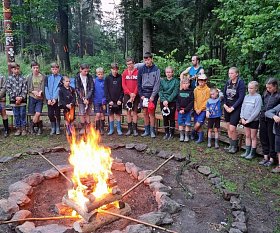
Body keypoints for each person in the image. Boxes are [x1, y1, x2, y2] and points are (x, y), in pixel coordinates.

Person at [223, 67, 246, 154]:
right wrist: (225, 105)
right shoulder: (228, 82)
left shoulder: (241, 83)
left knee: (233, 128)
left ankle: (235, 147)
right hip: (227, 107)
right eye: (229, 73)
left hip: (235, 108)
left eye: (232, 73)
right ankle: (231, 145)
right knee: (228, 127)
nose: (230, 75)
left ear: (237, 74)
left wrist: (232, 108)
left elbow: (241, 98)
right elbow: (224, 94)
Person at [137, 52, 160, 138]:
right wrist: (141, 94)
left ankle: (152, 131)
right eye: (145, 60)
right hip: (143, 93)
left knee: (151, 112)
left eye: (148, 59)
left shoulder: (156, 69)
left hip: (152, 93)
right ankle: (146, 131)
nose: (147, 61)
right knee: (145, 112)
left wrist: (153, 96)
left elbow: (157, 83)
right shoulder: (141, 69)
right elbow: (138, 83)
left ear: (151, 59)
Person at [259, 78, 280, 167]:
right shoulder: (265, 93)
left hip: (272, 120)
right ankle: (265, 157)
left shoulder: (278, 96)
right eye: (267, 87)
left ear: (275, 86)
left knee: (271, 139)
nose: (268, 89)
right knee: (263, 137)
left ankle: (272, 158)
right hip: (263, 118)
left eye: (270, 87)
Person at [240, 81, 262, 159]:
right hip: (245, 119)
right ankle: (247, 151)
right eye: (248, 88)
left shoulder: (258, 97)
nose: (249, 89)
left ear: (256, 88)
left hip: (253, 121)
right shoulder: (246, 97)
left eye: (251, 88)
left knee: (253, 136)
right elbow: (242, 107)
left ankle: (252, 153)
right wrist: (242, 117)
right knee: (247, 136)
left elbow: (257, 111)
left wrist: (249, 120)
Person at [5, 63, 28, 136]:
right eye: (15, 69)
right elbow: (8, 89)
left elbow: (25, 88)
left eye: (18, 69)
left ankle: (24, 128)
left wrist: (21, 97)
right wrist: (15, 98)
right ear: (12, 70)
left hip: (22, 100)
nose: (17, 70)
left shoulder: (23, 78)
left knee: (22, 114)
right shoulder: (9, 78)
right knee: (16, 114)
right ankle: (18, 128)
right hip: (13, 100)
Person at [159, 66, 180, 139]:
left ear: (172, 73)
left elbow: (175, 92)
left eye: (170, 72)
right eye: (167, 72)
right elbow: (160, 91)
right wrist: (164, 100)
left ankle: (171, 133)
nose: (168, 73)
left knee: (171, 118)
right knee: (165, 117)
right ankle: (166, 133)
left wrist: (168, 100)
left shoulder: (176, 81)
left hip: (172, 102)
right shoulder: (162, 81)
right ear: (165, 73)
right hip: (163, 102)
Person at [122, 57, 140, 136]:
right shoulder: (125, 73)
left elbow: (138, 84)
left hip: (136, 95)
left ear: (133, 63)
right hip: (127, 95)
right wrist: (130, 94)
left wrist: (134, 94)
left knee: (135, 112)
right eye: (128, 64)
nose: (129, 65)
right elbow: (123, 84)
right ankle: (129, 129)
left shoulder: (138, 72)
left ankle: (135, 129)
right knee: (128, 112)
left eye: (130, 64)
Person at [75, 64, 94, 135]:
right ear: (81, 69)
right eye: (85, 71)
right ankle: (83, 128)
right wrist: (83, 98)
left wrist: (87, 98)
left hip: (89, 98)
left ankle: (88, 128)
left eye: (87, 71)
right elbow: (77, 89)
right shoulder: (77, 77)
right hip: (81, 98)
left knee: (88, 113)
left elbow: (92, 88)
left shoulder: (90, 77)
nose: (86, 73)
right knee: (82, 113)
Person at [105, 63, 124, 135]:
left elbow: (123, 90)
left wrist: (120, 99)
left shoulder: (120, 77)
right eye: (113, 69)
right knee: (111, 115)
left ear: (118, 70)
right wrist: (109, 100)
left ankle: (119, 129)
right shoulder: (107, 78)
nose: (115, 71)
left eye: (116, 70)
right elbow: (106, 90)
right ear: (111, 69)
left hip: (118, 101)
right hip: (110, 101)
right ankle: (111, 129)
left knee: (118, 115)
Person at [27, 61, 45, 135]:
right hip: (32, 97)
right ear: (31, 68)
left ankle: (31, 126)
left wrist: (41, 92)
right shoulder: (29, 77)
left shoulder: (43, 77)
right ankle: (39, 127)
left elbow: (44, 87)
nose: (36, 69)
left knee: (38, 113)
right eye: (34, 68)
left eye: (37, 68)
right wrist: (33, 92)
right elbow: (27, 88)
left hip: (40, 98)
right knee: (33, 113)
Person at [45, 63, 63, 135]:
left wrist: (55, 99)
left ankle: (58, 127)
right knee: (50, 114)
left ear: (58, 69)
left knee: (57, 113)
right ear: (51, 70)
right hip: (49, 99)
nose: (54, 70)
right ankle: (53, 127)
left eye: (56, 69)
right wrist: (49, 98)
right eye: (53, 69)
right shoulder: (48, 77)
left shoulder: (61, 78)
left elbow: (59, 88)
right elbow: (46, 88)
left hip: (57, 99)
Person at [192, 74, 210, 143]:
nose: (201, 82)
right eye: (200, 81)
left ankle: (193, 133)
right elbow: (195, 100)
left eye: (203, 81)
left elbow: (207, 101)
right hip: (196, 110)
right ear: (198, 81)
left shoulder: (208, 90)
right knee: (196, 123)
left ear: (205, 81)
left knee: (198, 124)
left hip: (203, 110)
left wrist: (201, 109)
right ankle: (200, 137)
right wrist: (196, 108)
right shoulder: (196, 89)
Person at [176, 77, 194, 142]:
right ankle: (181, 135)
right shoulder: (179, 91)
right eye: (184, 83)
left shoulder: (191, 92)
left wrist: (185, 110)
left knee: (187, 123)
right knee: (180, 123)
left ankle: (186, 136)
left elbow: (191, 102)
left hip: (187, 111)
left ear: (189, 84)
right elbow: (177, 101)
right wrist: (179, 109)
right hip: (180, 111)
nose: (185, 85)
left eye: (186, 83)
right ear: (181, 84)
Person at [265, 103, 280, 173]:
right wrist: (274, 116)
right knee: (279, 150)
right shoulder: (279, 106)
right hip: (278, 131)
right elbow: (267, 112)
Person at [93, 67, 106, 135]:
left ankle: (102, 128)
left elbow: (106, 91)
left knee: (102, 115)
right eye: (99, 74)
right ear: (96, 74)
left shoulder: (105, 81)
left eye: (101, 74)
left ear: (103, 74)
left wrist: (105, 99)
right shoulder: (94, 81)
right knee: (98, 114)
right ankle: (97, 128)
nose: (100, 75)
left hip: (103, 101)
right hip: (96, 101)